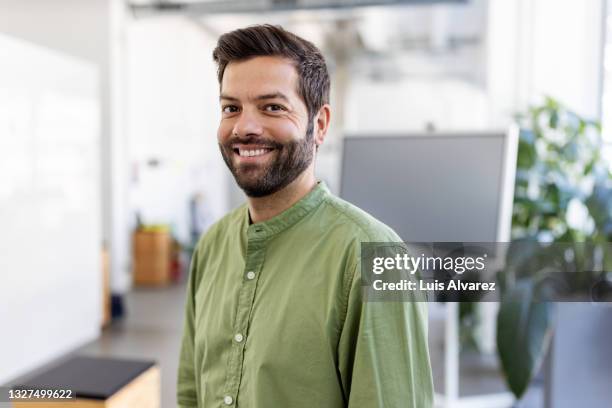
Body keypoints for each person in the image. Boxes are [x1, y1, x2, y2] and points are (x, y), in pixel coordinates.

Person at [177, 24, 433, 408]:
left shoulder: (375, 257)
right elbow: (190, 394)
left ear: (321, 124)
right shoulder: (212, 245)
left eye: (272, 107)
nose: (245, 127)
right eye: (231, 108)